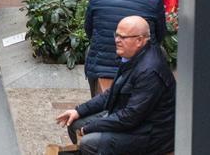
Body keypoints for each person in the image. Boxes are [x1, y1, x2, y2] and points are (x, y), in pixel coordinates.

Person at [55, 15, 176, 155]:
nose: (117, 40)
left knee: (89, 143)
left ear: (139, 40)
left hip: (152, 135)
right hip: (135, 121)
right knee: (74, 123)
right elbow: (112, 93)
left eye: (123, 37)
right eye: (116, 35)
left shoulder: (149, 71)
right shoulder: (132, 56)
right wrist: (79, 110)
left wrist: (90, 127)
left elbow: (130, 117)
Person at [83, 0, 168, 97]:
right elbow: (159, 36)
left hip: (103, 67)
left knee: (91, 50)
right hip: (141, 67)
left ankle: (96, 99)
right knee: (161, 53)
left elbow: (89, 30)